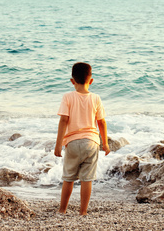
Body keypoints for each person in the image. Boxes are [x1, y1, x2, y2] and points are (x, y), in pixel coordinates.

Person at [54, 62, 110, 216]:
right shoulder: (96, 98)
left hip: (72, 143)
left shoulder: (68, 97)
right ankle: (83, 212)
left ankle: (62, 210)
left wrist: (58, 145)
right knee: (87, 179)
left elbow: (63, 121)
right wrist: (105, 144)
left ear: (72, 81)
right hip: (91, 142)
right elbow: (102, 122)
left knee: (68, 178)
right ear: (91, 80)